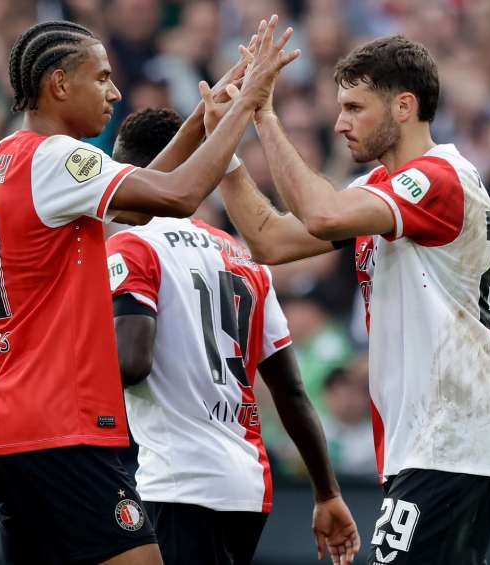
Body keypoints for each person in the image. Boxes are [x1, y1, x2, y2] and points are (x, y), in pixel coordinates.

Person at [0, 17, 298, 565]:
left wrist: (204, 113)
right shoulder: (56, 158)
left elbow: (137, 204)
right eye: (100, 78)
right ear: (58, 84)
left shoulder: (1, 158)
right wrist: (245, 107)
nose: (114, 92)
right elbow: (180, 195)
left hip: (2, 420)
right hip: (59, 424)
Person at [213, 35, 490, 564]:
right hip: (422, 443)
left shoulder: (441, 179)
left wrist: (263, 114)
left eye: (354, 107)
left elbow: (322, 215)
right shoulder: (385, 185)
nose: (340, 123)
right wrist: (227, 155)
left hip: (448, 441)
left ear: (404, 105)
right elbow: (273, 242)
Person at [106, 108, 358, 565]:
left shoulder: (133, 246)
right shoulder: (241, 256)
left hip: (178, 479)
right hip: (247, 485)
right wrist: (327, 492)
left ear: (133, 175)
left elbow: (131, 361)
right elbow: (292, 391)